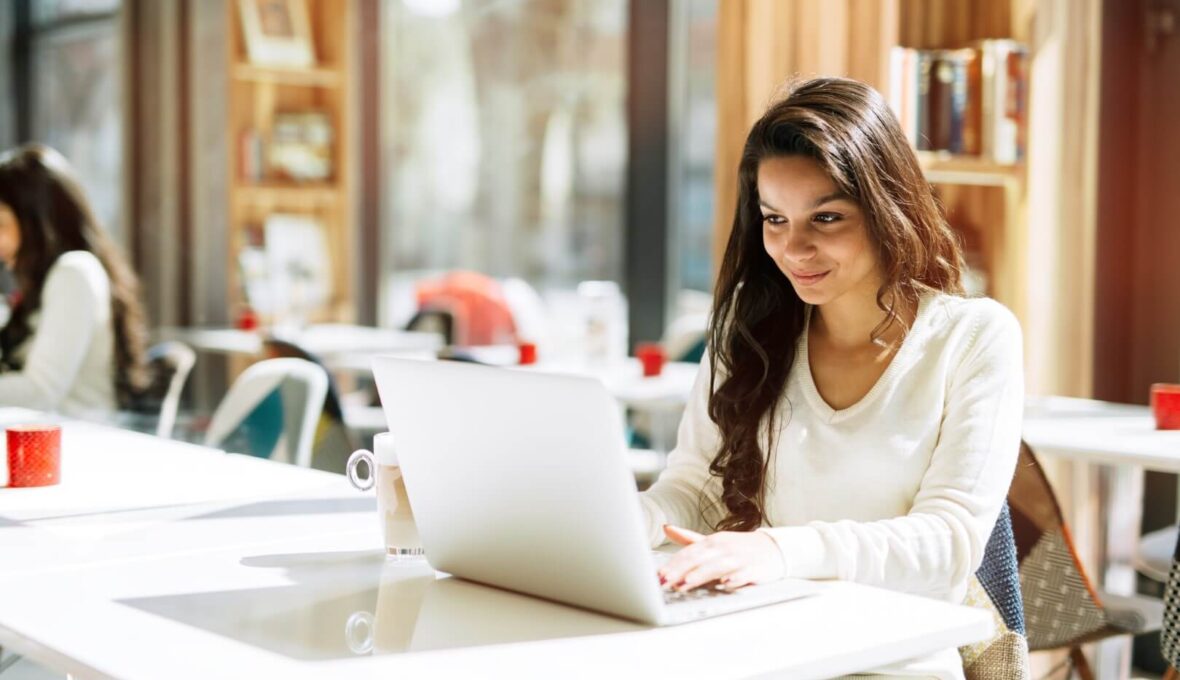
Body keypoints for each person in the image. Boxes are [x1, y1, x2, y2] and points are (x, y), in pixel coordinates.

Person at [639, 78, 1023, 679]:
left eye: (826, 217)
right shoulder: (750, 328)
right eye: (774, 218)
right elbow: (692, 492)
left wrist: (777, 550)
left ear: (886, 207)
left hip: (894, 664)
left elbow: (948, 547)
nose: (794, 248)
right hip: (757, 647)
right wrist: (611, 528)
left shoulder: (974, 338)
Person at [0, 145, 148, 417]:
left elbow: (40, 391)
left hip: (80, 444)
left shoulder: (74, 273)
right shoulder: (50, 282)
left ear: (37, 221)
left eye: (1, 225)